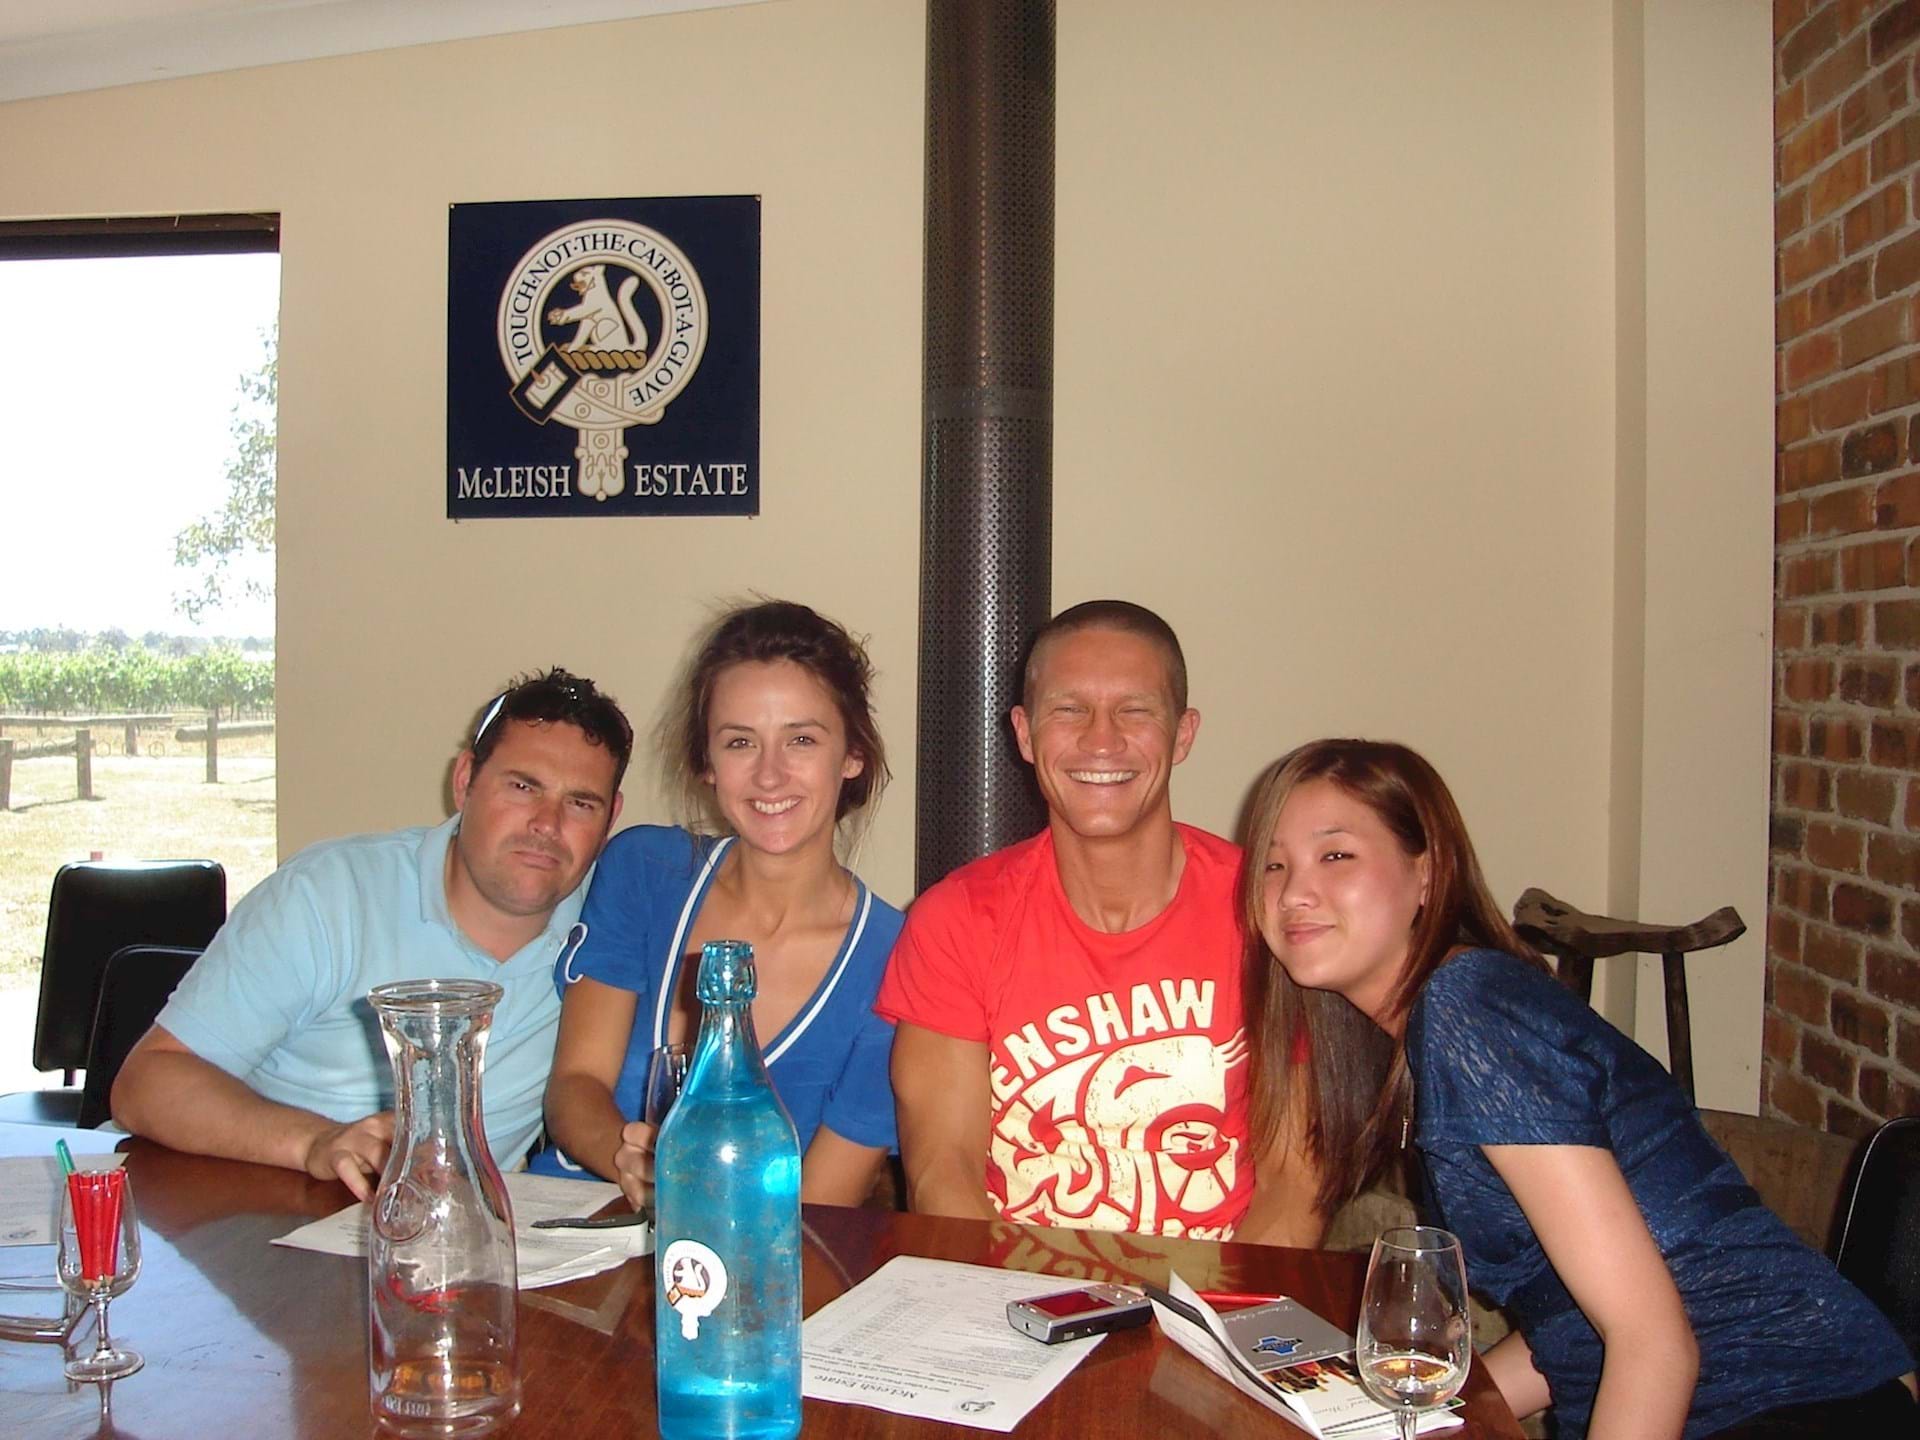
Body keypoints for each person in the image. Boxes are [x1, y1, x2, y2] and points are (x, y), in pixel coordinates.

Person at [1243, 738, 1917, 1439]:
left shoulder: (1469, 1011)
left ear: (1428, 873)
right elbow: (1570, 1323)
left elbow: (1654, 1342)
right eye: (1273, 864)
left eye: (1336, 855)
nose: (1293, 893)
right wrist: (1388, 1420)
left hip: (1800, 1398)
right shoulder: (1427, 1030)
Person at [877, 599, 1322, 1242]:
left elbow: (1296, 1182)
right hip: (1012, 1291)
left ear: (1184, 733)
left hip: (1222, 1291)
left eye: (1135, 711)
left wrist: (1218, 1305)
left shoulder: (1266, 910)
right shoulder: (956, 921)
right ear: (1024, 734)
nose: (1102, 740)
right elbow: (943, 1174)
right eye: (1070, 710)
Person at [112, 669, 630, 1198]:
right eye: (522, 787)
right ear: (464, 781)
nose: (547, 824)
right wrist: (315, 1142)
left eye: (580, 803)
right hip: (254, 1205)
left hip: (452, 1233)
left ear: (610, 817)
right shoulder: (329, 894)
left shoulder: (614, 932)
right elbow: (147, 1083)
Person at [537, 600, 903, 1207]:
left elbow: (822, 1206)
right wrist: (632, 1161)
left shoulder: (897, 958)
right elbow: (576, 1083)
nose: (769, 776)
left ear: (852, 755)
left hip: (758, 1252)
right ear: (707, 763)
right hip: (567, 1225)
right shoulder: (644, 871)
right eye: (739, 743)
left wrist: (693, 1211)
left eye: (802, 740)